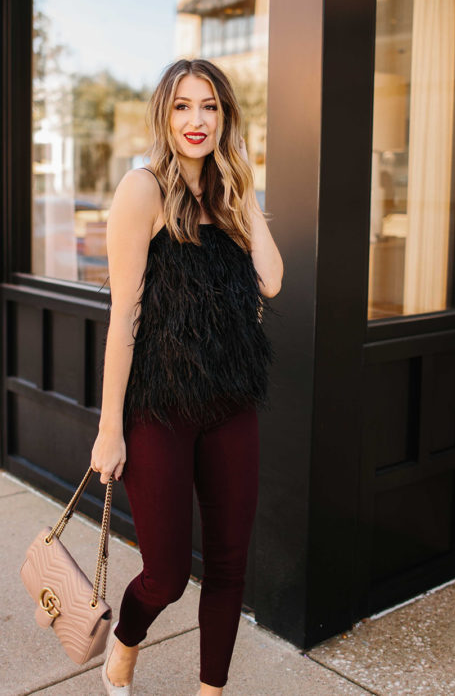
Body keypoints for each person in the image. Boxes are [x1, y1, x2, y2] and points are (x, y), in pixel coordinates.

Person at [91, 58, 283, 696]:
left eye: (209, 107)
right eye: (182, 106)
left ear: (226, 117)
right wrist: (109, 429)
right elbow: (124, 317)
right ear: (163, 115)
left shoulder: (230, 194)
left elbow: (273, 279)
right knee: (166, 575)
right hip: (159, 408)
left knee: (229, 566)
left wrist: (245, 186)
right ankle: (125, 640)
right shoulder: (142, 188)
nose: (195, 121)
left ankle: (212, 691)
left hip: (231, 402)